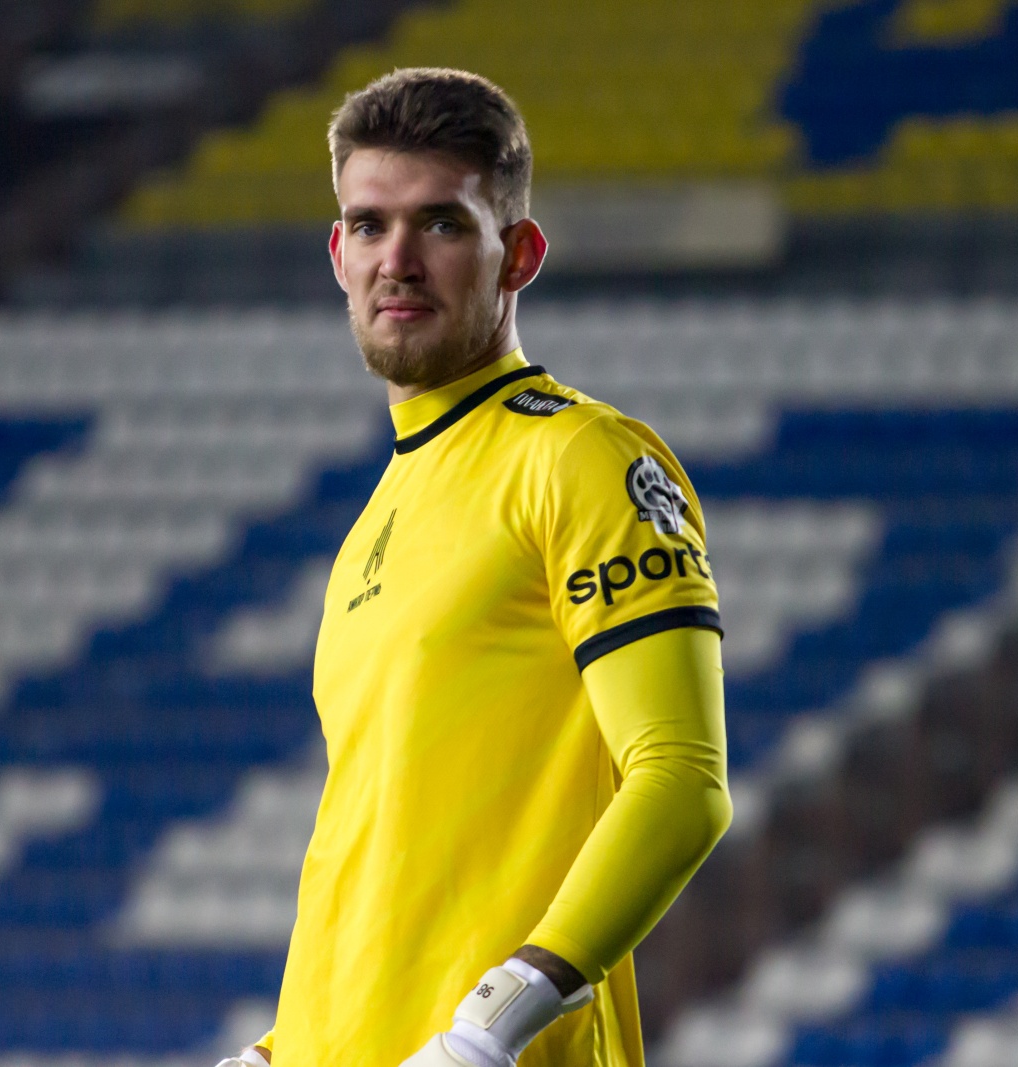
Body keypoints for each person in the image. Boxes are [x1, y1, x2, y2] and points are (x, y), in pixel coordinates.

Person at [216, 68, 731, 1067]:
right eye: (369, 225)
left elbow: (682, 778)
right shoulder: (375, 518)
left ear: (518, 254)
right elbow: (393, 859)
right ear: (338, 255)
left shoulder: (580, 458)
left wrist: (493, 1024)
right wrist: (282, 1050)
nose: (397, 260)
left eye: (442, 224)